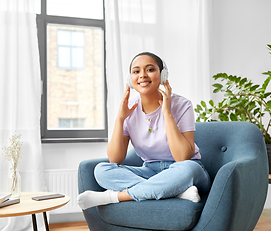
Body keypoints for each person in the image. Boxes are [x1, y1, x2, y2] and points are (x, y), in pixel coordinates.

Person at [77, 52, 211, 210]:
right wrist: (120, 119)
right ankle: (173, 192)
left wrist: (167, 113)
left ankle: (113, 197)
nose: (142, 75)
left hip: (184, 170)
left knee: (188, 169)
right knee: (102, 170)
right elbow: (115, 159)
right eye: (136, 71)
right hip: (150, 171)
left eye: (150, 69)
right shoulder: (129, 108)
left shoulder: (182, 105)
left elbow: (183, 157)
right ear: (130, 79)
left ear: (163, 75)